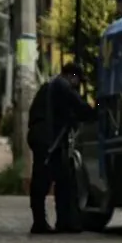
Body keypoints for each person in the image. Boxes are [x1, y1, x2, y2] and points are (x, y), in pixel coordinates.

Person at [26, 62, 97, 234]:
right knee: (43, 180)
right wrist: (97, 109)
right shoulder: (61, 85)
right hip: (47, 139)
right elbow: (81, 109)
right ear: (71, 76)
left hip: (48, 138)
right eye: (78, 80)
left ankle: (65, 221)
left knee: (64, 179)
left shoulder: (51, 86)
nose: (78, 85)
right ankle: (41, 222)